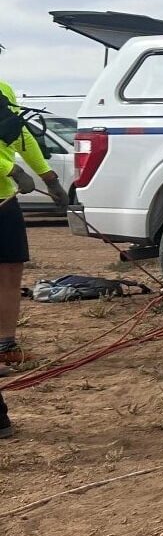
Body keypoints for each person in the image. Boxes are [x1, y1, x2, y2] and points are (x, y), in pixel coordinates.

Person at [2, 74, 70, 376]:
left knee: (11, 268)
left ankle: (6, 348)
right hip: (7, 183)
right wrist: (11, 169)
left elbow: (20, 134)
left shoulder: (3, 89)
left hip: (3, 198)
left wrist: (49, 178)